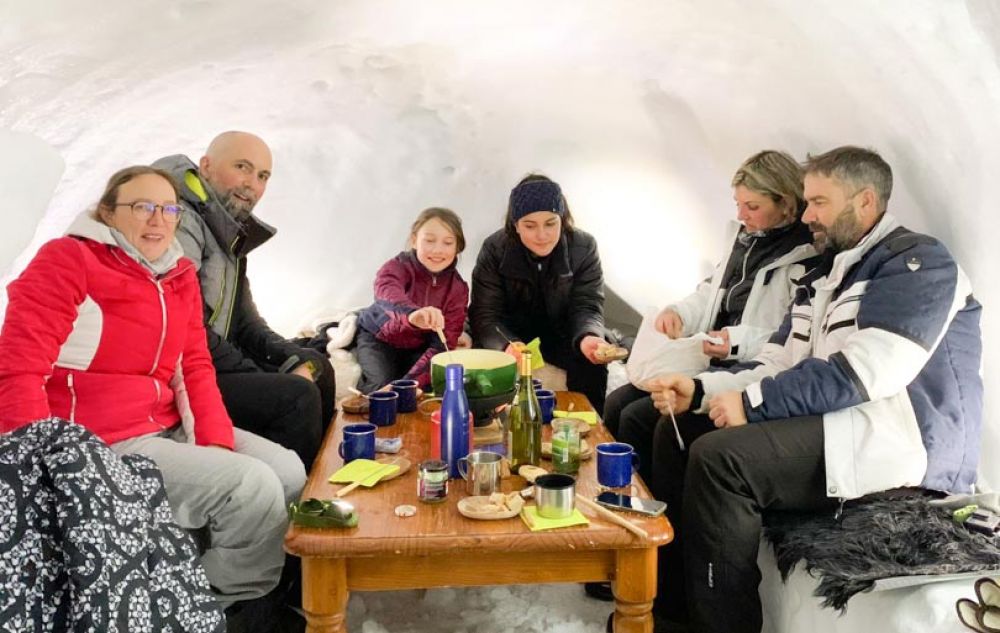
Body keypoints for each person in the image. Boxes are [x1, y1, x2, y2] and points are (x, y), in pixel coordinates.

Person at [644, 147, 983, 633]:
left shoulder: (920, 265)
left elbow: (864, 374)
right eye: (806, 203)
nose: (807, 216)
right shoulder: (826, 274)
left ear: (865, 202)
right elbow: (778, 361)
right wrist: (698, 392)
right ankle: (675, 605)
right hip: (840, 422)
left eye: (819, 202)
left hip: (906, 444)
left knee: (722, 460)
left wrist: (753, 405)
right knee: (676, 428)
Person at [0, 166, 306, 630]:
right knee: (250, 487)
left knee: (285, 471)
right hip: (97, 443)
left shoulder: (175, 273)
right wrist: (37, 465)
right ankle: (209, 605)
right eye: (142, 207)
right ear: (107, 212)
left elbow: (195, 367)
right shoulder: (69, 260)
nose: (158, 220)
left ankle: (223, 588)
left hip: (161, 423)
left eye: (168, 209)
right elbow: (18, 366)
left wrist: (216, 445)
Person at [606, 150, 819, 479]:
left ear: (786, 203)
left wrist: (735, 342)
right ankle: (617, 498)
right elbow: (711, 291)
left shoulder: (808, 258)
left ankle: (660, 517)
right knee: (619, 401)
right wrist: (680, 313)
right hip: (709, 359)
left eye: (752, 207)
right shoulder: (746, 239)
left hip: (746, 368)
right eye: (738, 204)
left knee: (641, 417)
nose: (742, 214)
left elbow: (791, 338)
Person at [153, 132, 334, 471]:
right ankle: (292, 505)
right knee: (297, 397)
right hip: (179, 373)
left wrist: (289, 358)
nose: (252, 184)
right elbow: (185, 329)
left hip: (213, 359)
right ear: (206, 167)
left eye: (262, 176)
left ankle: (319, 482)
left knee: (315, 364)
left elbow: (246, 320)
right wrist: (261, 373)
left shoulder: (229, 229)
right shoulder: (181, 222)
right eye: (242, 167)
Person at [469, 174, 610, 413]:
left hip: (566, 335)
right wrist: (508, 345)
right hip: (512, 335)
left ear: (563, 219)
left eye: (550, 223)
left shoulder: (584, 247)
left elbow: (587, 305)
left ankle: (589, 434)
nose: (542, 235)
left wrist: (589, 336)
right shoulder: (494, 249)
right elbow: (485, 314)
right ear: (515, 225)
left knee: (590, 366)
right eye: (530, 226)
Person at [355, 207, 470, 393]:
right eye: (429, 240)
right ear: (414, 240)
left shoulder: (458, 289)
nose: (438, 250)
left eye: (448, 243)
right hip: (379, 339)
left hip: (418, 345)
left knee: (425, 386)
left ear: (458, 247)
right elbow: (386, 293)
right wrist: (413, 315)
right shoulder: (397, 267)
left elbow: (444, 343)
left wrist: (407, 386)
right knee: (380, 387)